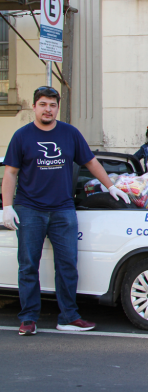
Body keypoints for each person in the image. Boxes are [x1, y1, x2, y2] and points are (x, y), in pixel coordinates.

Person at [2, 86, 130, 336]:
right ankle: (28, 318)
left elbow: (91, 162)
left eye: (52, 105)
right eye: (43, 104)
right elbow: (10, 172)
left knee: (68, 265)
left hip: (63, 209)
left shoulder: (70, 133)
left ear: (57, 108)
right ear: (34, 106)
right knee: (28, 265)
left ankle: (68, 317)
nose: (47, 109)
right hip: (30, 209)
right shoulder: (22, 136)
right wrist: (7, 206)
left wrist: (110, 186)